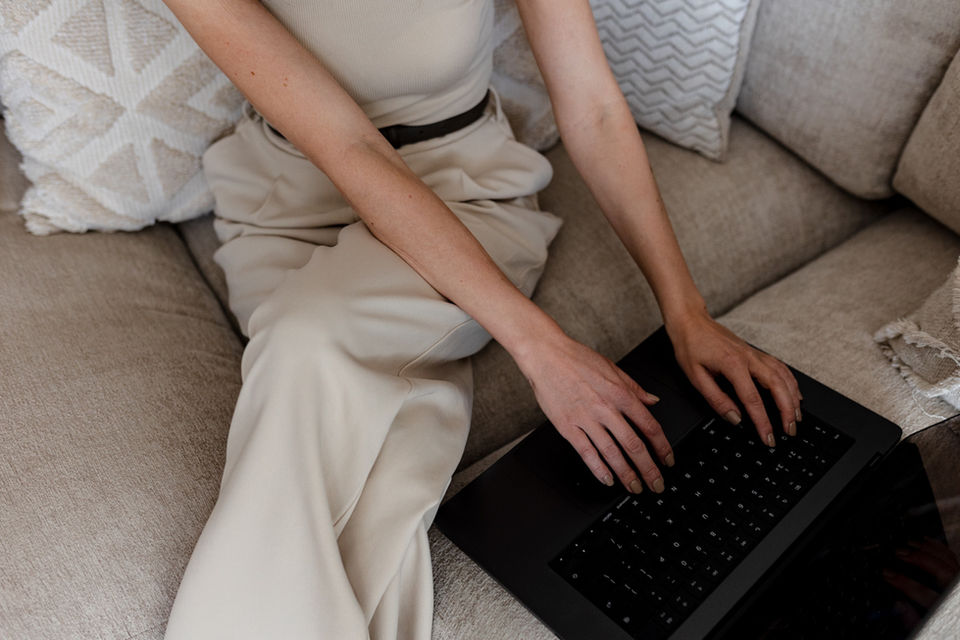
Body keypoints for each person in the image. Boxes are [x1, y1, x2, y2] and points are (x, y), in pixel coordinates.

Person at [160, 0, 803, 638]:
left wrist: (686, 311)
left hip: (463, 190)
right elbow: (352, 148)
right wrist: (543, 349)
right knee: (342, 399)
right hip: (289, 206)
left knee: (305, 342)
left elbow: (595, 106)